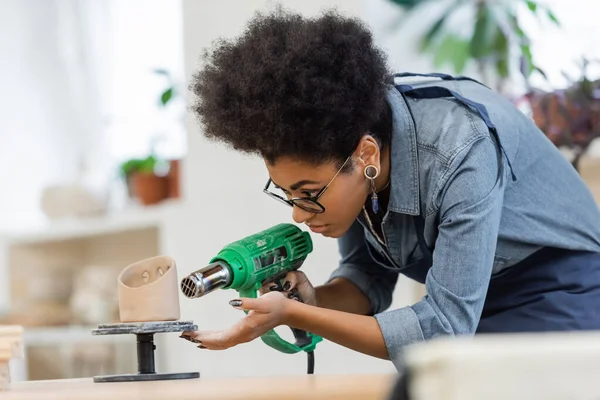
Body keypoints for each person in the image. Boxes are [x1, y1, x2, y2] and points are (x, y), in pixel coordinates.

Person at [181, 8, 600, 370]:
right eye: (287, 193)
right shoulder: (359, 150)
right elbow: (368, 278)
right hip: (474, 312)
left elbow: (445, 330)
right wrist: (311, 300)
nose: (298, 214)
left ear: (364, 155)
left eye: (309, 193)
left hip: (562, 291)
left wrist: (295, 314)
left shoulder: (460, 150)